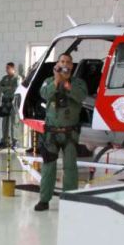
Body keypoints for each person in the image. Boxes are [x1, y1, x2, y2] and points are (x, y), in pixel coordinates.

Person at [34, 53, 86, 212]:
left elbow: (81, 96)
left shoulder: (78, 83)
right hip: (51, 133)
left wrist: (67, 85)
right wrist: (57, 81)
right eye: (62, 61)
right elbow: (44, 94)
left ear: (72, 66)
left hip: (71, 133)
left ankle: (70, 200)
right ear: (57, 64)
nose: (65, 64)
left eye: (68, 62)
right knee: (48, 167)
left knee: (70, 167)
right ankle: (44, 200)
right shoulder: (49, 81)